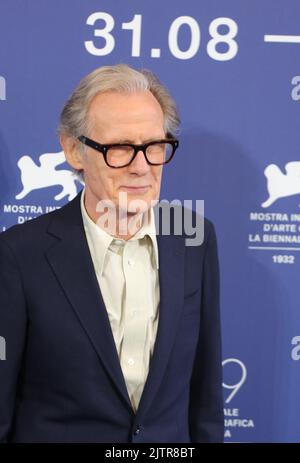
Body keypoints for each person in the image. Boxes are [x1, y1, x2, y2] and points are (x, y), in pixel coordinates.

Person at [0, 64, 224, 443]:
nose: (142, 167)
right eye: (120, 148)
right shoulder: (19, 255)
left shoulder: (195, 241)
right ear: (74, 150)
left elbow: (205, 400)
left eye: (155, 146)